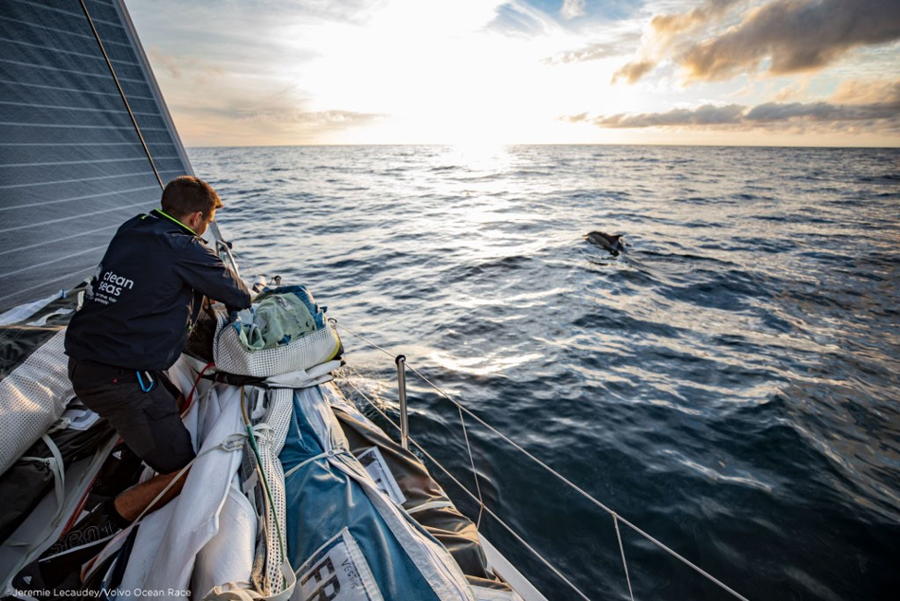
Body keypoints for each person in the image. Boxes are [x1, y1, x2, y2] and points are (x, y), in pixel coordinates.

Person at [65, 175, 251, 524]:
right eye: (206, 224)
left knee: (172, 402)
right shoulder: (184, 246)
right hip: (119, 380)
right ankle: (81, 542)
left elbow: (149, 277)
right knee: (186, 474)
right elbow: (239, 295)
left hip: (83, 364)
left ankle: (111, 484)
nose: (204, 231)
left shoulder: (133, 227)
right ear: (197, 218)